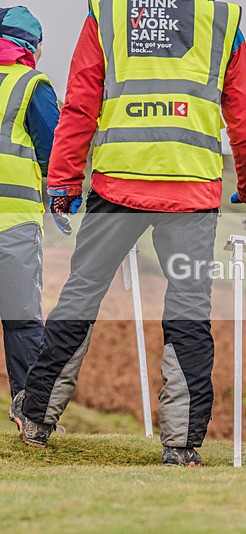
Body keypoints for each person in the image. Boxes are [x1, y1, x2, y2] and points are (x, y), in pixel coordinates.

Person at [9, 0, 246, 467]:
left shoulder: (107, 13)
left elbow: (80, 103)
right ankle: (181, 446)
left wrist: (65, 182)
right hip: (192, 190)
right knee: (188, 311)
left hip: (117, 184)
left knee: (80, 298)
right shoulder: (222, 19)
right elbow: (245, 118)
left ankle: (36, 419)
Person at [0, 7, 59, 403]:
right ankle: (31, 411)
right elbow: (54, 149)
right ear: (31, 46)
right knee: (22, 319)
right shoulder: (31, 84)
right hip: (14, 223)